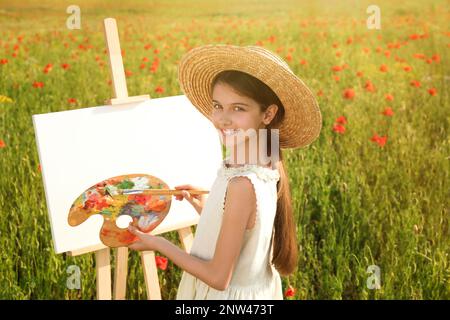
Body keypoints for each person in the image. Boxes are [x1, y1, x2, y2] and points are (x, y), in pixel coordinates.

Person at [127, 44, 322, 299]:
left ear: (268, 113)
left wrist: (159, 243)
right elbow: (247, 230)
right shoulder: (268, 162)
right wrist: (208, 209)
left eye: (238, 108)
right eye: (217, 105)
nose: (222, 119)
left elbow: (219, 278)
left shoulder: (242, 184)